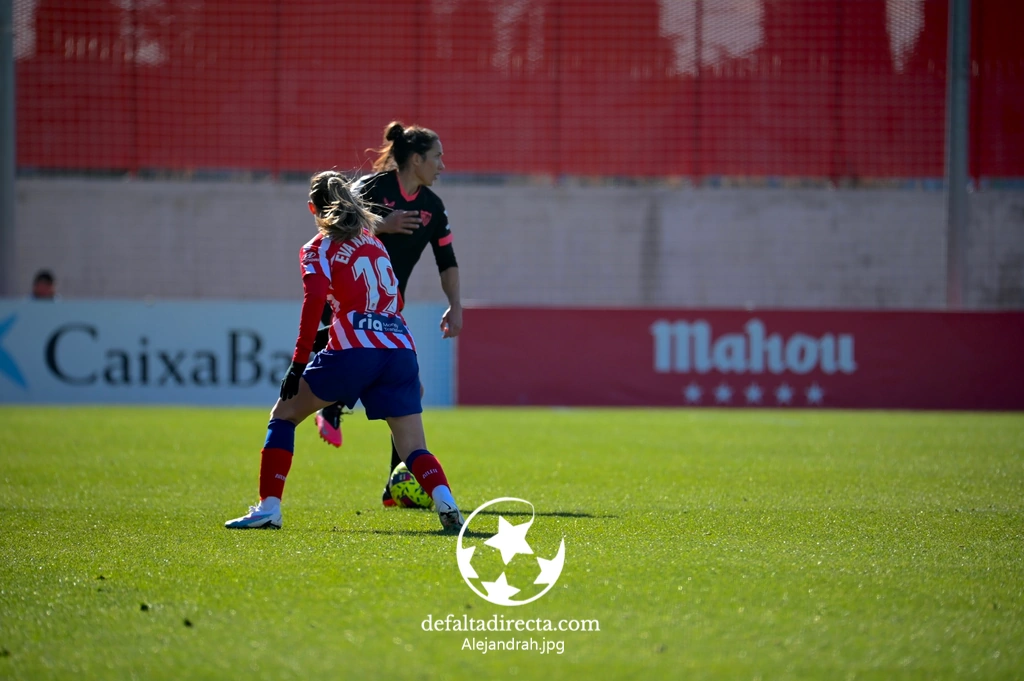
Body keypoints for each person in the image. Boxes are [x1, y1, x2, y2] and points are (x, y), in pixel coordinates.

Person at [225, 171, 465, 532]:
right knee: (413, 444)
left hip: (355, 349)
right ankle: (446, 502)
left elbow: (314, 302)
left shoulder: (318, 247)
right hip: (399, 346)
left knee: (284, 414)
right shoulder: (373, 241)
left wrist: (298, 362)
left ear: (312, 208)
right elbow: (395, 298)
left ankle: (268, 508)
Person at [312, 121, 463, 508]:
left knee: (411, 396)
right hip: (347, 305)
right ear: (416, 159)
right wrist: (382, 224)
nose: (443, 165)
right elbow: (334, 224)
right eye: (437, 157)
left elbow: (446, 261)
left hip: (388, 311)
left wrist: (456, 304)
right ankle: (330, 403)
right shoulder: (373, 189)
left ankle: (394, 487)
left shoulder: (432, 207)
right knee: (341, 363)